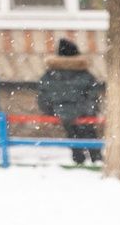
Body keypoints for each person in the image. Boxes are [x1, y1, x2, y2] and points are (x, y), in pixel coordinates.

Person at [37, 37, 103, 166]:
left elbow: (43, 98)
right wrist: (88, 111)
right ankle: (97, 160)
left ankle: (78, 160)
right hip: (84, 114)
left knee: (73, 135)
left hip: (61, 112)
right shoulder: (85, 75)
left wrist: (54, 112)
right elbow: (92, 95)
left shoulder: (50, 75)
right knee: (90, 136)